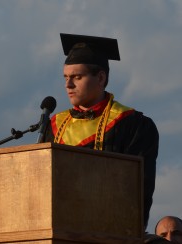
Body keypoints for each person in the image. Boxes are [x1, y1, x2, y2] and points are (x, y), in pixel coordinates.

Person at [43, 33, 159, 228]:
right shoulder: (54, 125)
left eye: (77, 77)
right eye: (65, 77)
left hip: (109, 229)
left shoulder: (133, 124)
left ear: (101, 78)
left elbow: (140, 190)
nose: (68, 85)